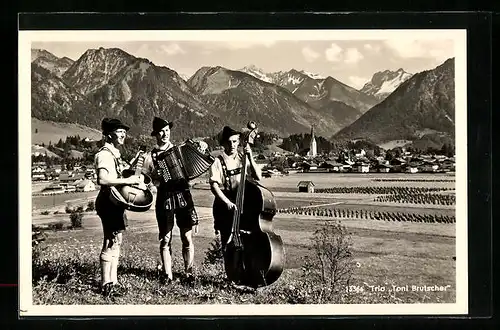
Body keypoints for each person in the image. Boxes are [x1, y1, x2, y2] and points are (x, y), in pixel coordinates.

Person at [141, 117, 202, 285]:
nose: (165, 134)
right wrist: (154, 177)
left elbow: (190, 168)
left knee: (187, 237)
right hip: (164, 197)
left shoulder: (179, 150)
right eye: (161, 131)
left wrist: (202, 147)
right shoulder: (150, 156)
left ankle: (189, 273)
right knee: (165, 238)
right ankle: (167, 275)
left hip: (183, 194)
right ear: (156, 134)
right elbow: (145, 179)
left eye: (167, 130)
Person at [94, 118, 143, 298]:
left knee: (117, 241)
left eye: (124, 131)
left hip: (115, 202)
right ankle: (106, 283)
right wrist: (128, 180)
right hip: (108, 202)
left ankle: (113, 282)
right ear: (108, 134)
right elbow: (103, 179)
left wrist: (134, 163)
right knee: (110, 241)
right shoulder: (104, 154)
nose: (123, 134)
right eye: (119, 131)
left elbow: (117, 173)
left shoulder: (114, 153)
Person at [208, 126, 262, 252]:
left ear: (239, 142)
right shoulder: (217, 161)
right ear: (223, 143)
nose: (232, 145)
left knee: (248, 240)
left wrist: (250, 157)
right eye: (229, 142)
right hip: (226, 205)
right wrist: (227, 202)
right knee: (227, 242)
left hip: (244, 204)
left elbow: (258, 176)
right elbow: (214, 186)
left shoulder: (243, 158)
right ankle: (231, 269)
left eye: (235, 141)